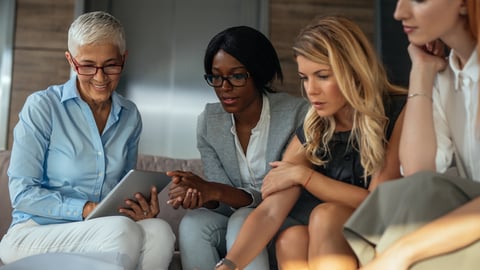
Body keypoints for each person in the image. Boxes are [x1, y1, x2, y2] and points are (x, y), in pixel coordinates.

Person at [215, 15, 407, 270]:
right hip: (335, 240)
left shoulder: (398, 110)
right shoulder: (315, 125)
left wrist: (303, 176)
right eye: (305, 78)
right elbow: (270, 212)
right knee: (290, 239)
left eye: (323, 76)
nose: (311, 90)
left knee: (324, 215)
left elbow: (377, 202)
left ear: (353, 70)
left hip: (387, 228)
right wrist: (229, 265)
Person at [0, 11, 175, 270]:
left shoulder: (130, 116)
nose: (100, 77)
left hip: (101, 227)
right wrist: (85, 209)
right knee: (120, 231)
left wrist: (137, 208)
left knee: (160, 232)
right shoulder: (42, 107)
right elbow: (23, 194)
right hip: (33, 232)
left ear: (123, 59)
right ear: (71, 61)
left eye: (111, 65)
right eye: (88, 65)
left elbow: (121, 189)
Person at [343, 0, 480, 269]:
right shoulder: (447, 77)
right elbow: (419, 174)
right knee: (407, 194)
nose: (399, 13)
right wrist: (421, 71)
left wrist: (404, 252)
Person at [166, 26, 309, 270]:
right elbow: (222, 201)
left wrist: (215, 191)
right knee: (192, 224)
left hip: (286, 219)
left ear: (259, 73)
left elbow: (279, 195)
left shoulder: (298, 115)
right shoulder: (209, 122)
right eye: (216, 77)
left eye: (237, 76)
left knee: (243, 219)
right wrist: (203, 196)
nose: (224, 87)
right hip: (237, 221)